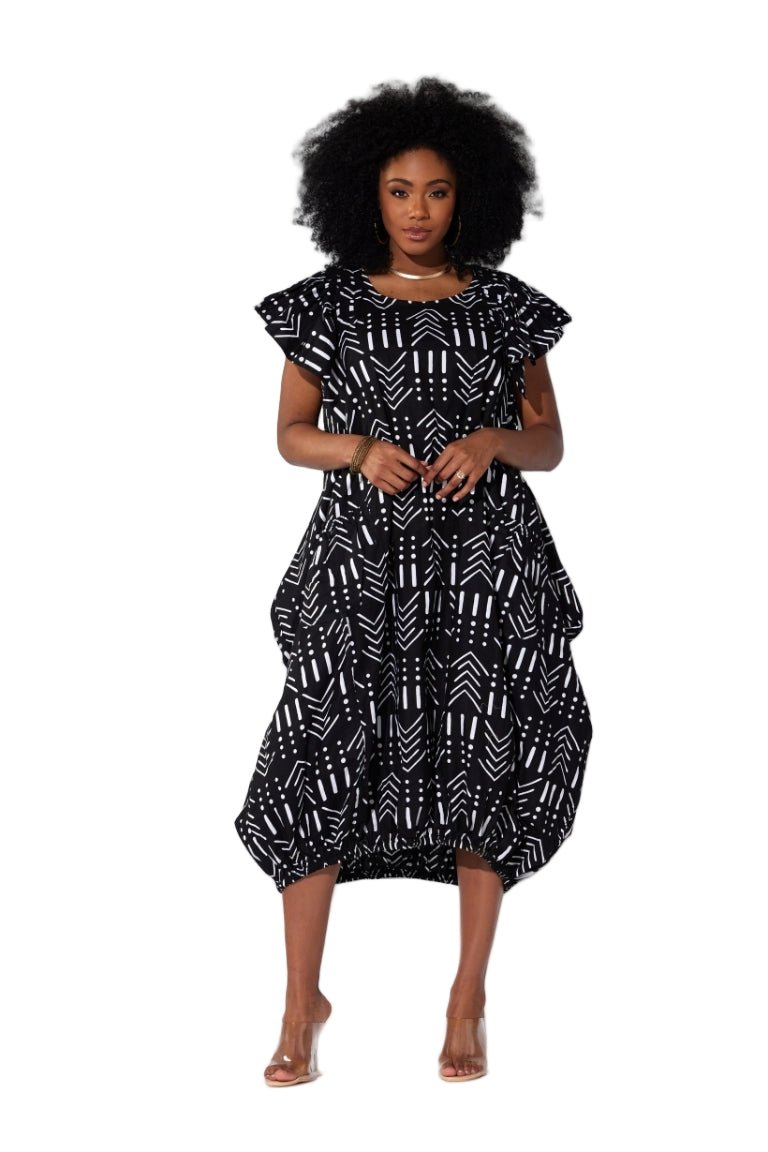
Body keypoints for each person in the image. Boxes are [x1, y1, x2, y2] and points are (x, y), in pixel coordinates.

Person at [234, 76, 593, 1086]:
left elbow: (550, 442)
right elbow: (289, 433)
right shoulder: (326, 305)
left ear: (469, 194)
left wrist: (493, 440)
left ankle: (466, 998)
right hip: (359, 559)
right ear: (366, 195)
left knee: (484, 750)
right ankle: (299, 1002)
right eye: (399, 191)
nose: (419, 211)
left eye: (437, 191)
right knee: (321, 750)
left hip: (485, 564)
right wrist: (355, 450)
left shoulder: (510, 311)